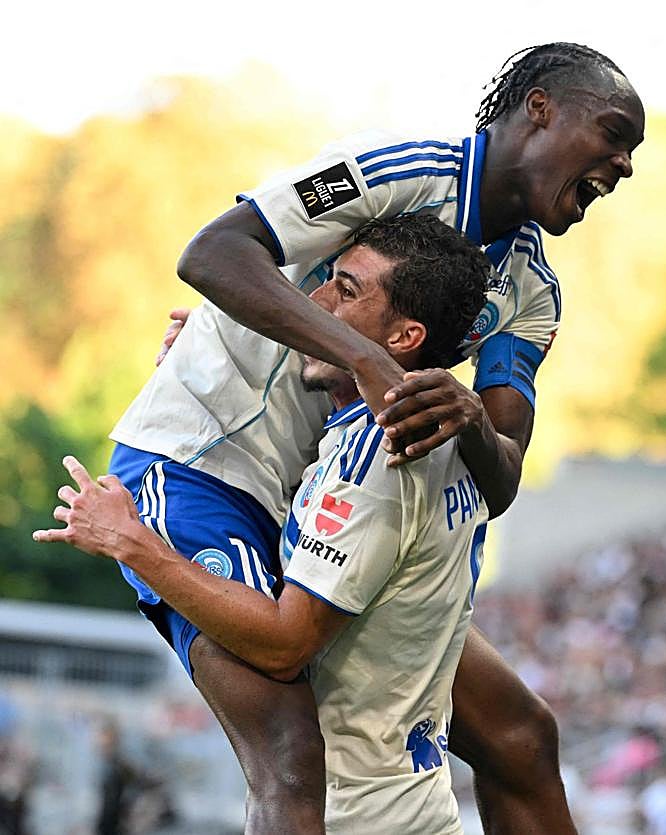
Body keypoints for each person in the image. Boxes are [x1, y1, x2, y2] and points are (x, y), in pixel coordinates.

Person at [41, 42, 644, 834]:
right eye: (611, 135)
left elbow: (498, 480)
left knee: (520, 734)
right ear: (539, 109)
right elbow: (214, 251)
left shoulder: (529, 294)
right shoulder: (397, 171)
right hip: (200, 464)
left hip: (322, 502)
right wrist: (358, 355)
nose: (623, 165)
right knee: (293, 756)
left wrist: (465, 416)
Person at [36, 214, 491, 833]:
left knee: (284, 763)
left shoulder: (375, 458)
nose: (314, 300)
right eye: (326, 279)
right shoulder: (442, 444)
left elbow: (284, 646)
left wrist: (131, 540)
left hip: (357, 816)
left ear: (407, 335)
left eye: (346, 291)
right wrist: (220, 352)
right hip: (413, 806)